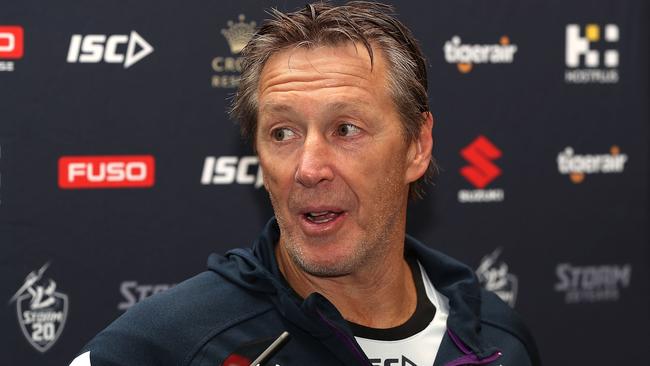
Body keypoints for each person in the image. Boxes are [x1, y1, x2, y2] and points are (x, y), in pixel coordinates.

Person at [70, 2, 540, 365]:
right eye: (283, 133)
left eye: (346, 130)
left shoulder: (498, 339)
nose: (309, 168)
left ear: (417, 145)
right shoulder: (176, 342)